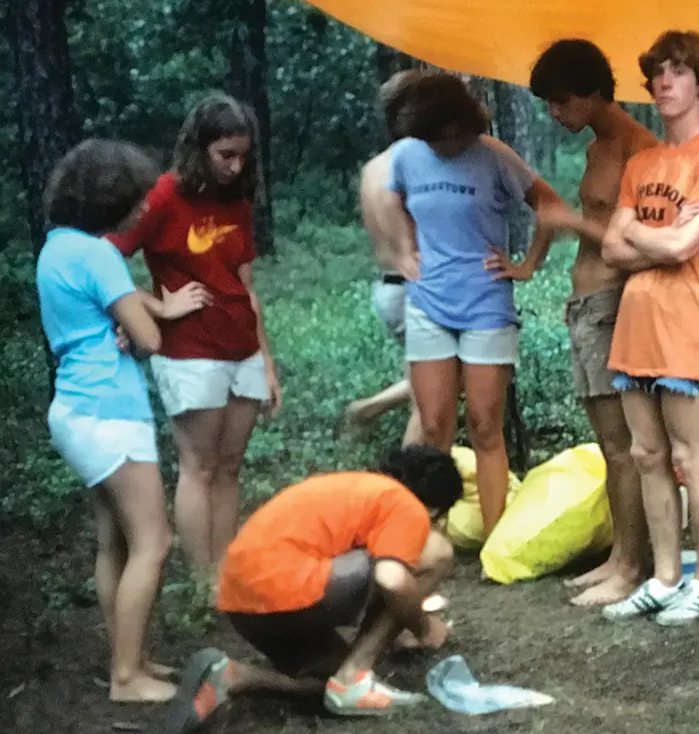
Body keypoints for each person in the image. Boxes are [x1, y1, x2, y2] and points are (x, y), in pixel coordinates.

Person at [37, 139, 209, 702]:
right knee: (154, 541)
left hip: (75, 408)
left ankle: (127, 656)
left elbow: (117, 313)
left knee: (114, 540)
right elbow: (150, 339)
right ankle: (127, 677)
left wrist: (135, 315)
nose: (142, 208)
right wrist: (144, 324)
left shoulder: (58, 249)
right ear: (106, 198)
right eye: (134, 199)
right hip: (109, 408)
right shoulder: (99, 254)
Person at [589, 30, 699, 625]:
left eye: (676, 73)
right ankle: (663, 576)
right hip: (634, 324)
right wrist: (662, 242)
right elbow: (611, 247)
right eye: (656, 75)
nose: (663, 84)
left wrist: (647, 241)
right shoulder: (643, 162)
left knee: (691, 454)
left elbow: (686, 244)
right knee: (647, 453)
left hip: (685, 322)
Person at [162, 445, 462, 733]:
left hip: (241, 602)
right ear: (434, 508)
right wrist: (423, 628)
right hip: (287, 587)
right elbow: (392, 580)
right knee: (436, 553)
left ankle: (232, 677)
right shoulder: (403, 502)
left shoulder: (355, 488)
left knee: (329, 686)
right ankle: (354, 674)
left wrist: (396, 626)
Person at [385, 72, 569, 535]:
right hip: (428, 302)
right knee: (433, 427)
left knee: (486, 424)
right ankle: (427, 534)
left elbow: (550, 206)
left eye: (454, 135)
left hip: (485, 302)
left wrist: (527, 264)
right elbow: (398, 201)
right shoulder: (407, 155)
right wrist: (407, 250)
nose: (447, 146)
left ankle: (494, 536)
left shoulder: (494, 157)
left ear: (467, 123)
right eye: (436, 138)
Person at [110, 94, 283, 580]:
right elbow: (103, 260)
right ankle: (201, 577)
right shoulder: (164, 196)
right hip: (189, 353)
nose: (235, 165)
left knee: (229, 468)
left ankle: (226, 572)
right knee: (198, 467)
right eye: (225, 154)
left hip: (242, 348)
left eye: (243, 155)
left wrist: (267, 363)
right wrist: (153, 305)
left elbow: (247, 288)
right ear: (200, 146)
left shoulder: (238, 203)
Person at [528, 39, 660, 606]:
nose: (555, 115)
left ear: (593, 93)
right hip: (585, 305)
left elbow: (642, 245)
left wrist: (569, 221)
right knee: (608, 445)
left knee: (625, 444)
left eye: (561, 102)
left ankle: (633, 565)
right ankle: (619, 556)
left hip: (615, 306)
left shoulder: (641, 149)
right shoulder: (596, 149)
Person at [341, 68, 429, 447]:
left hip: (387, 287)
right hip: (415, 287)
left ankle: (367, 409)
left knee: (435, 378)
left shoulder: (371, 167)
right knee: (430, 402)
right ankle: (410, 487)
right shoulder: (416, 165)